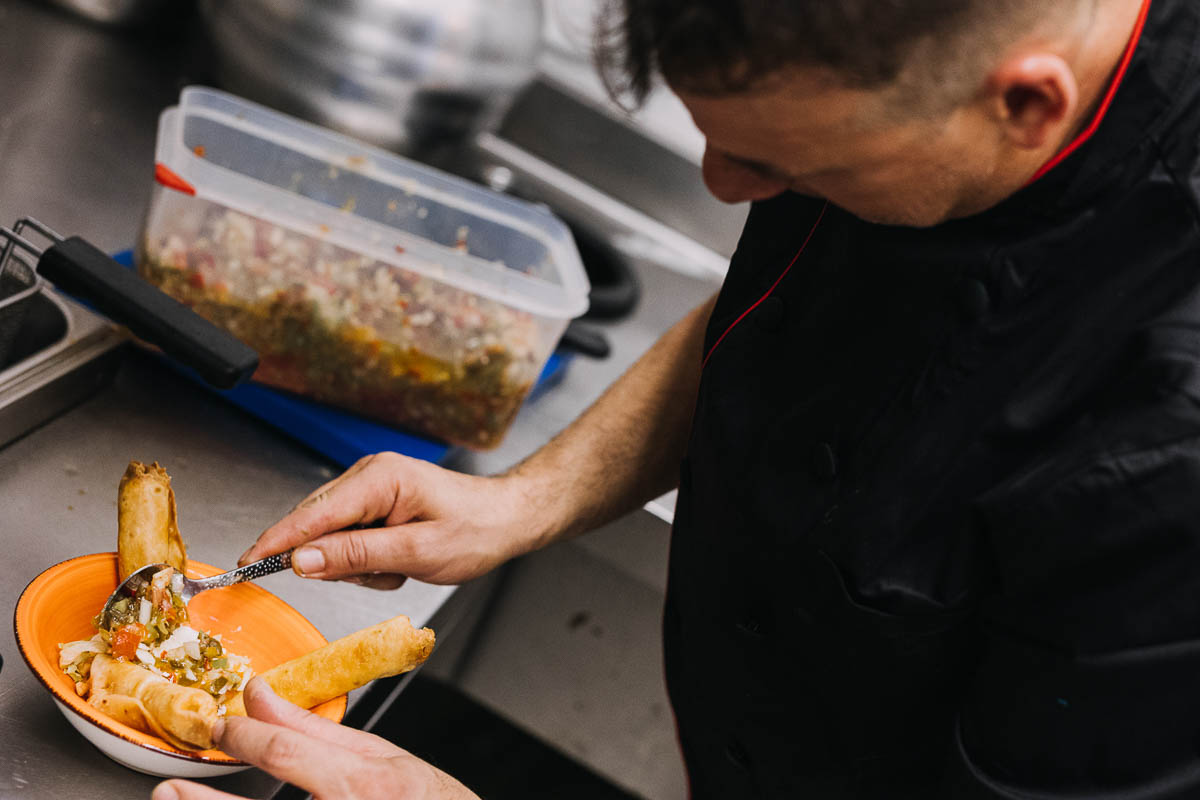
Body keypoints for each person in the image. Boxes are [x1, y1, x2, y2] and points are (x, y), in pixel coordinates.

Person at [155, 0, 1200, 796]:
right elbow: (776, 306)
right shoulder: (904, 86)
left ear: (1024, 106)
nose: (724, 189)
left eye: (786, 166)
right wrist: (524, 499)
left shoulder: (1166, 460)